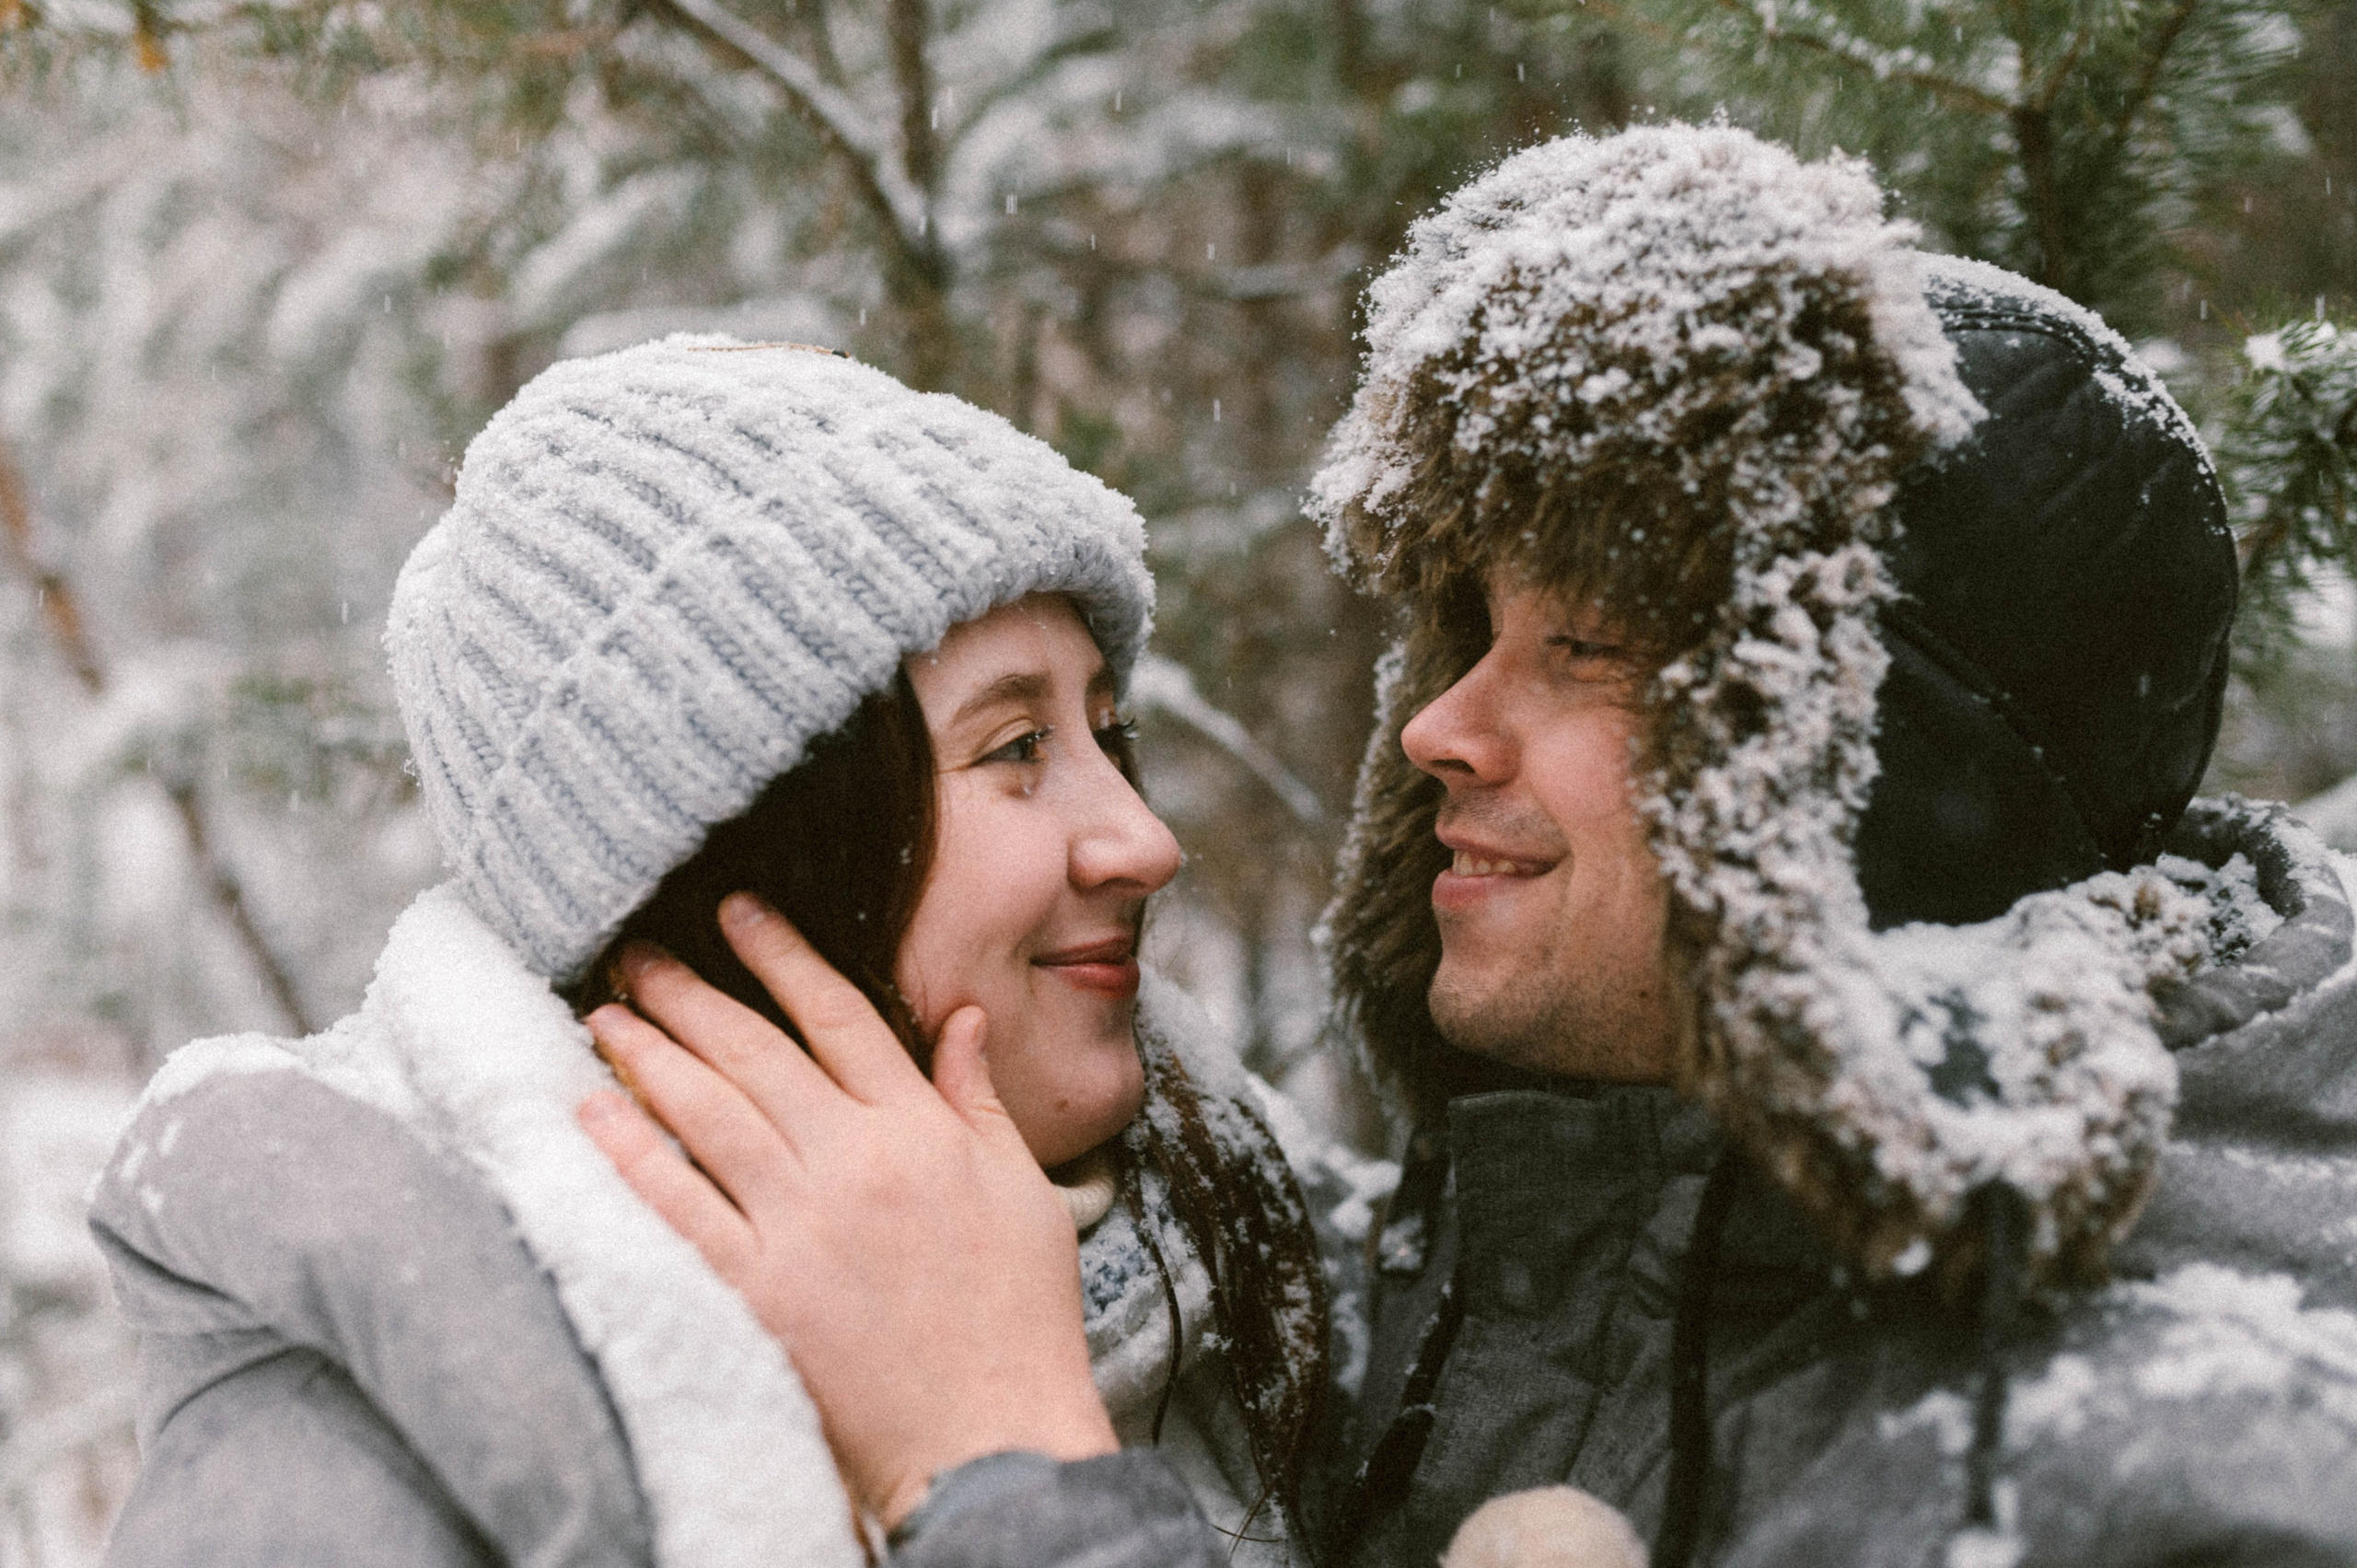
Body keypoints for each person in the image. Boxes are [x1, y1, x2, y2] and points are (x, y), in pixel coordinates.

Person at [595, 127, 2357, 1568]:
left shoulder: (2170, 1469)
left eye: (1586, 644)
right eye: (1463, 632)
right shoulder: (1442, 1290)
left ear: (1855, 768)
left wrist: (1006, 1474)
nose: (1437, 724)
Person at [85, 337, 1328, 1568]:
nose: (1144, 839)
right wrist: (1023, 1484)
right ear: (746, 863)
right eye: (1013, 748)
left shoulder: (1261, 1280)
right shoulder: (339, 1486)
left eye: (1111, 732)